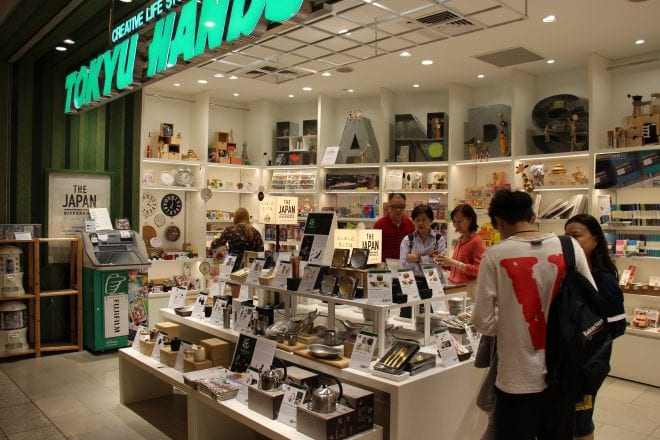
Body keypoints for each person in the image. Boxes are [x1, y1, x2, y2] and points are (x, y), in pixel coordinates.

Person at [472, 189, 595, 440]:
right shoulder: (570, 246)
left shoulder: (495, 255)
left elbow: (481, 320)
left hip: (516, 376)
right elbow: (591, 302)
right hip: (563, 370)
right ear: (533, 216)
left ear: (498, 222)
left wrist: (511, 326)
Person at [564, 214, 626, 440]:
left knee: (581, 422)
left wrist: (588, 340)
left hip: (587, 363)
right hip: (567, 360)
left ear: (595, 239)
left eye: (576, 236)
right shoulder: (570, 271)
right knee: (568, 419)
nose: (570, 241)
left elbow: (617, 325)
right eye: (566, 236)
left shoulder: (603, 278)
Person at [435, 203, 485, 301]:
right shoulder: (460, 240)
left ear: (470, 220)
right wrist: (441, 261)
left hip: (468, 289)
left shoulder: (476, 241)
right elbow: (455, 267)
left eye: (460, 221)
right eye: (454, 221)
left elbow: (479, 271)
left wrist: (454, 263)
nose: (456, 225)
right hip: (454, 287)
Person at [400, 204, 446, 277]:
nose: (420, 223)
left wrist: (418, 258)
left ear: (431, 220)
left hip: (435, 280)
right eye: (417, 220)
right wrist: (429, 257)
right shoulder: (407, 240)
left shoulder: (439, 239)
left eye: (424, 220)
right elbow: (404, 264)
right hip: (414, 280)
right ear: (413, 221)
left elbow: (440, 262)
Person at [374, 193, 415, 261]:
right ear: (389, 207)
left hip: (406, 263)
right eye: (394, 206)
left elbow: (414, 244)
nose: (398, 210)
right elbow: (375, 249)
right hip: (385, 264)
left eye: (401, 206)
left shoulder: (409, 223)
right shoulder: (379, 225)